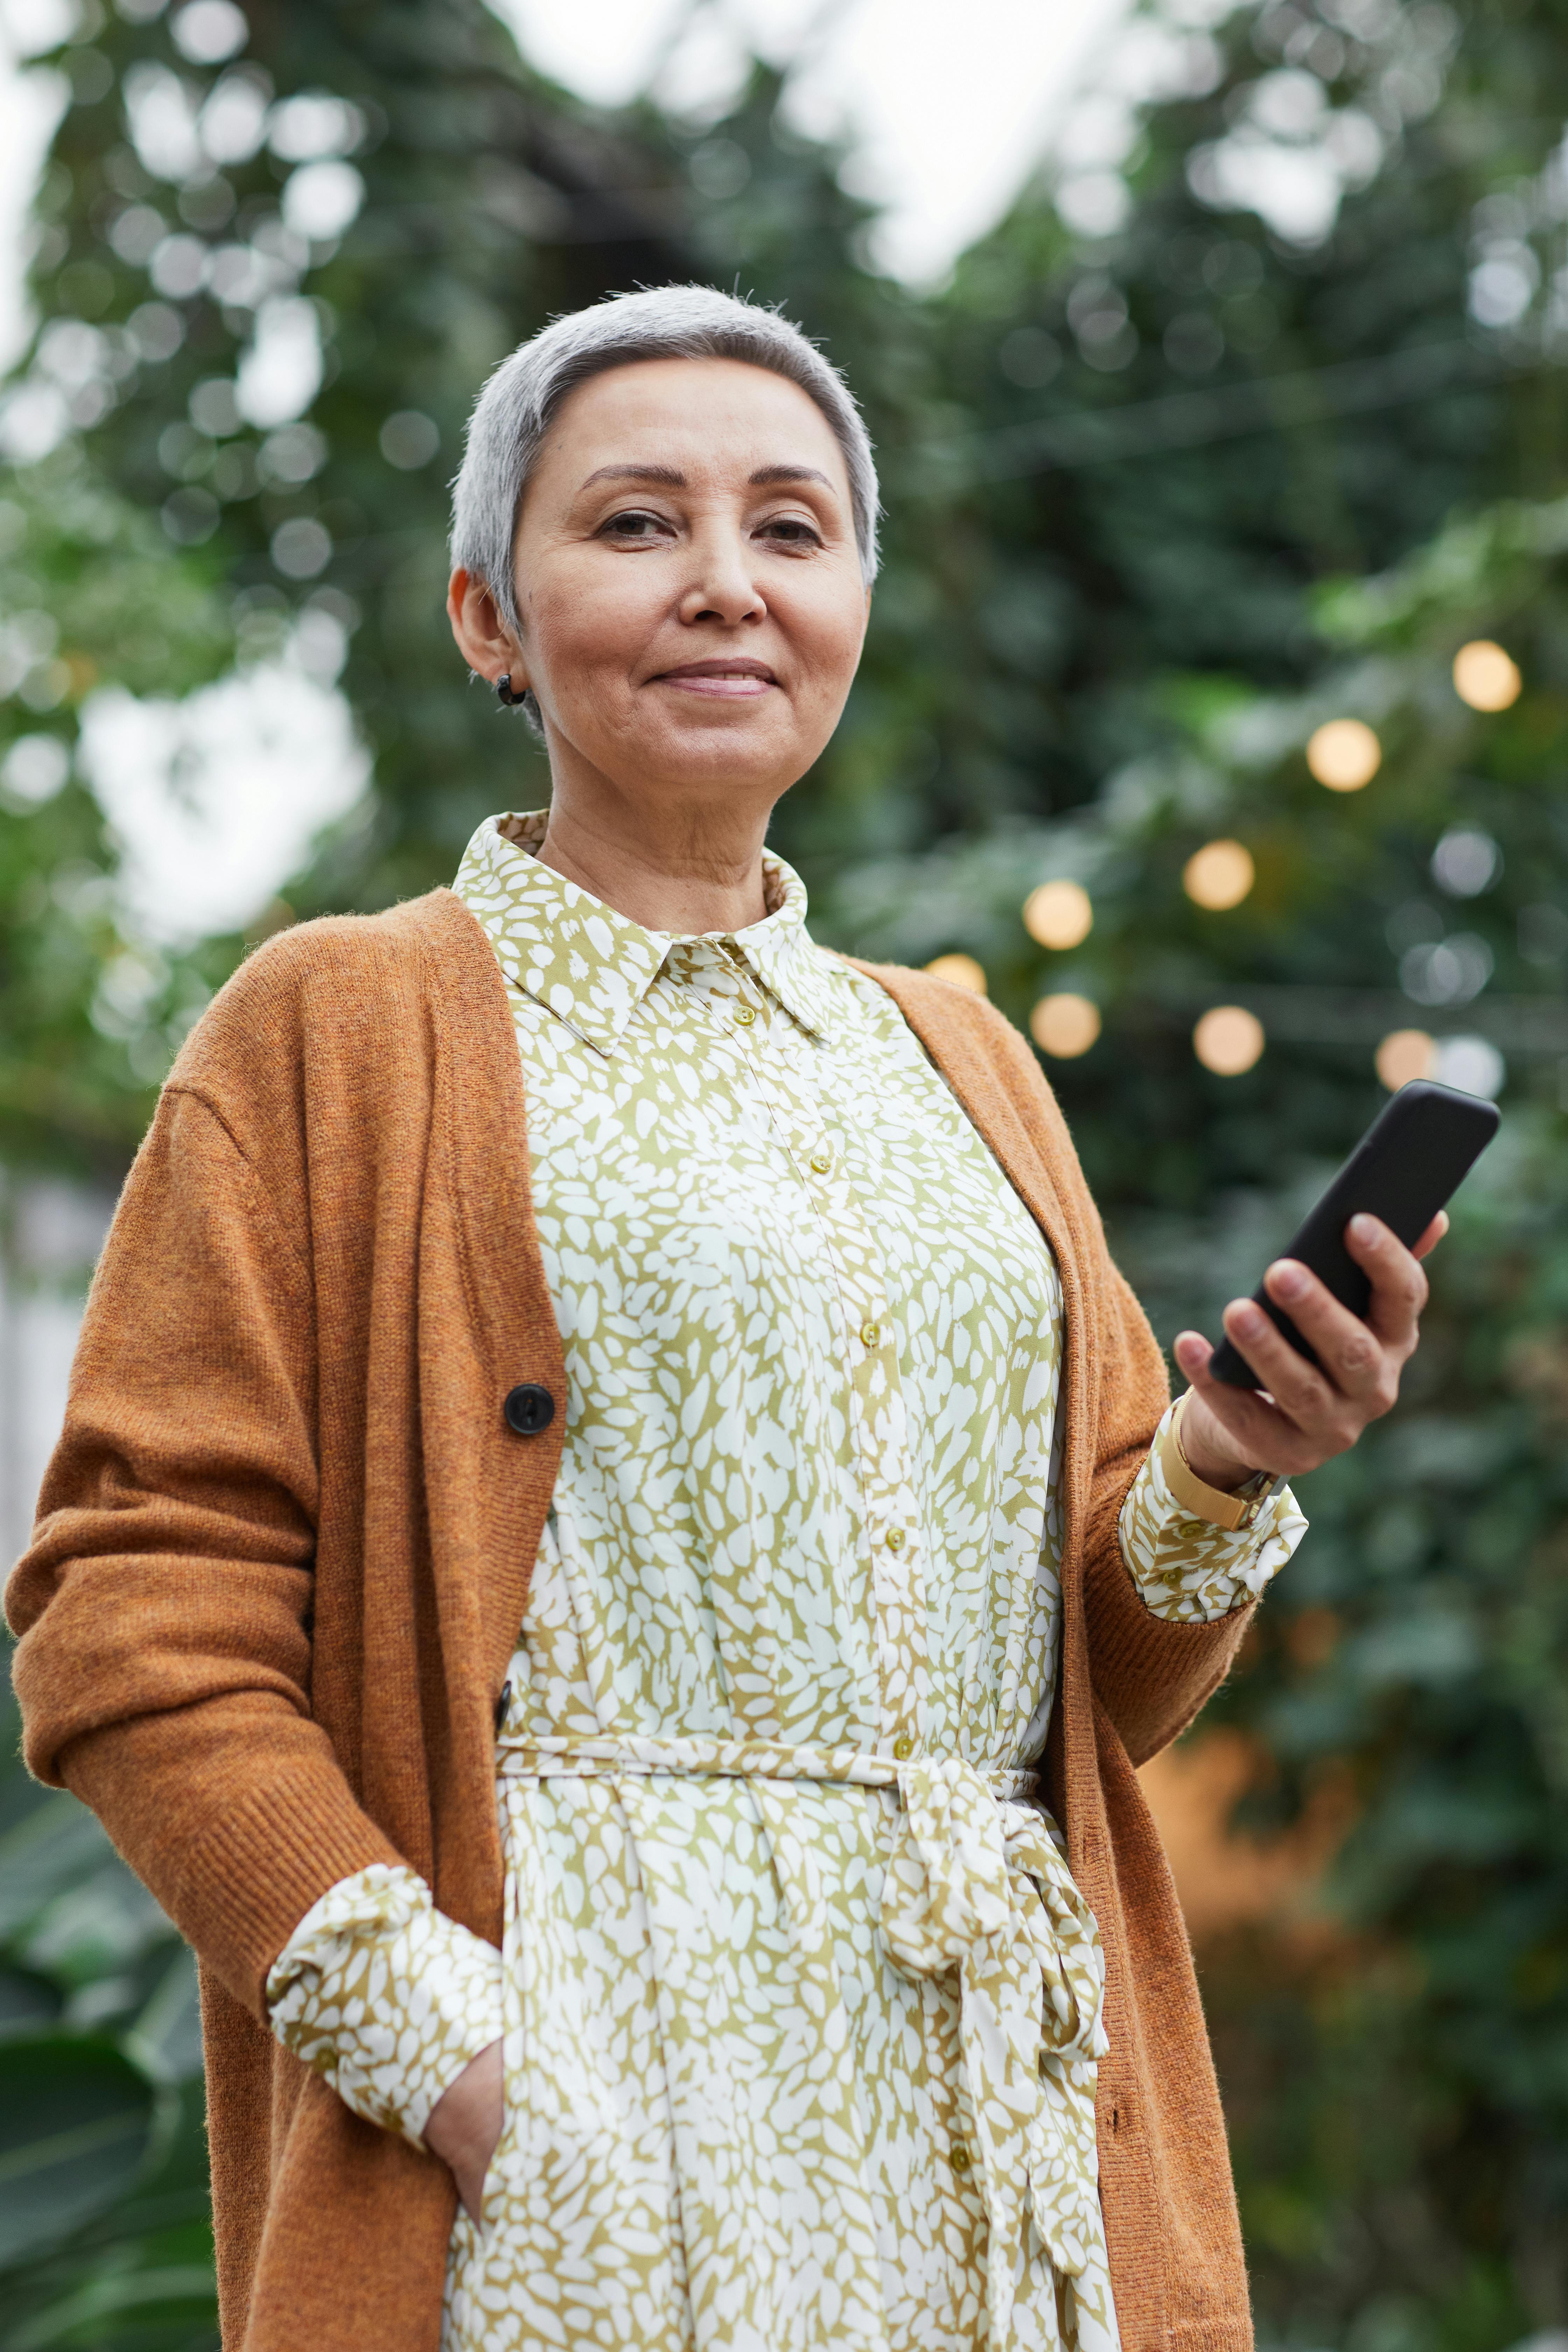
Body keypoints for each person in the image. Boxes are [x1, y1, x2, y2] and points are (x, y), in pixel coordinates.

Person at [6, 286, 1444, 2352]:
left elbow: (1091, 1698)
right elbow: (129, 1614)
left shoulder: (961, 1057)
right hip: (586, 2124)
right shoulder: (338, 1025)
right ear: (488, 616)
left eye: (791, 528)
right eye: (634, 525)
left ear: (858, 598)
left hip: (1005, 2141)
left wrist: (1228, 1465)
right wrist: (458, 2062)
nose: (723, 586)